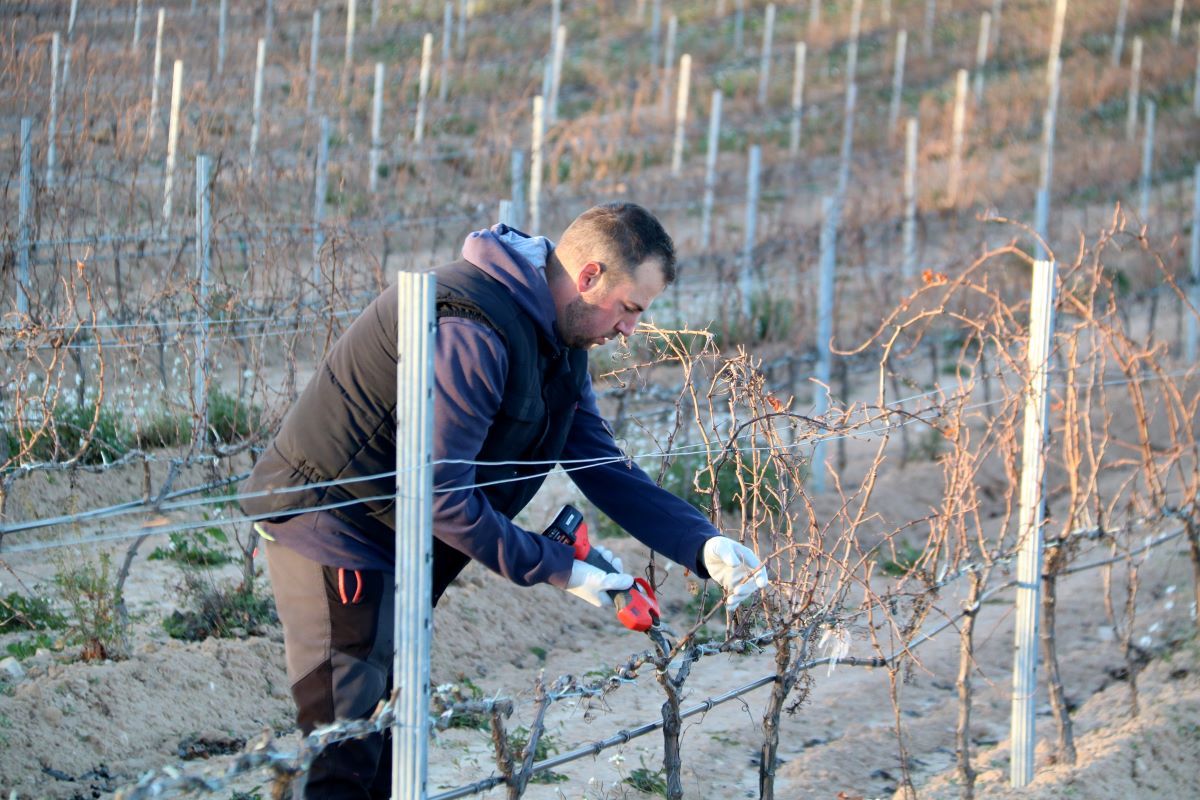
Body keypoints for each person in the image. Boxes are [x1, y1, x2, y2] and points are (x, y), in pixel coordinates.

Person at [241, 202, 768, 798]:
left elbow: (600, 463)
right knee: (346, 754)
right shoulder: (471, 329)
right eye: (629, 309)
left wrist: (702, 544)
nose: (630, 331)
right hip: (334, 526)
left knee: (383, 746)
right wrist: (561, 568)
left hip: (400, 537)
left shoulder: (560, 339)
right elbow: (443, 498)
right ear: (590, 275)